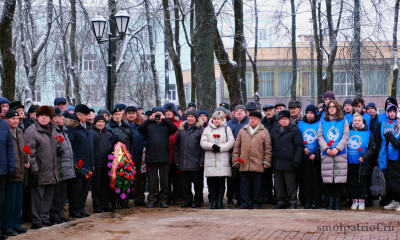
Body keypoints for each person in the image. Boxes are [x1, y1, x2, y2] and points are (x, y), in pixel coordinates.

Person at [24, 106, 59, 229]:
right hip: (39, 170)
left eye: (47, 115)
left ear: (50, 117)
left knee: (48, 196)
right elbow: (29, 153)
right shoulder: (31, 131)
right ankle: (36, 220)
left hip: (52, 170)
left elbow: (54, 148)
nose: (44, 117)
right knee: (37, 197)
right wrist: (34, 170)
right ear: (37, 117)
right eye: (41, 115)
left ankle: (45, 217)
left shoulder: (54, 129)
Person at [138, 107, 178, 208]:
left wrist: (164, 119)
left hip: (164, 157)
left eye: (159, 114)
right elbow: (140, 129)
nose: (158, 116)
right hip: (151, 157)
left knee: (164, 181)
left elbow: (174, 129)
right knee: (152, 181)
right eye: (156, 114)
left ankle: (163, 200)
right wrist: (149, 119)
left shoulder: (165, 125)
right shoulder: (149, 125)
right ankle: (152, 200)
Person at [232, 111, 272, 209]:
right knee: (244, 186)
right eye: (251, 118)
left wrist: (267, 161)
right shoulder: (242, 130)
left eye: (254, 119)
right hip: (244, 163)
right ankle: (244, 203)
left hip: (258, 164)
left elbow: (268, 149)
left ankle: (256, 203)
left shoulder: (264, 131)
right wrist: (235, 160)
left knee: (257, 186)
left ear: (259, 120)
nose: (252, 120)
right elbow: (236, 147)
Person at [318, 100, 349, 210]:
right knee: (328, 179)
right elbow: (320, 136)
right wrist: (326, 148)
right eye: (329, 107)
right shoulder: (323, 121)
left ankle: (337, 201)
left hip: (340, 154)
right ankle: (330, 201)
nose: (331, 108)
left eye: (333, 107)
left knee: (338, 179)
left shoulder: (343, 121)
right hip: (327, 154)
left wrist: (337, 148)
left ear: (337, 108)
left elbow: (345, 136)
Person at [201, 111, 235, 209]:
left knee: (221, 181)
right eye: (215, 119)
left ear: (222, 120)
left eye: (218, 119)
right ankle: (213, 201)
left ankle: (219, 201)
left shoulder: (227, 129)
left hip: (222, 159)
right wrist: (212, 146)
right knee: (211, 182)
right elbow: (203, 142)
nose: (216, 121)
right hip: (211, 159)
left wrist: (220, 148)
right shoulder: (207, 129)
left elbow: (231, 142)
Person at [270, 110, 304, 209]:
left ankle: (293, 201)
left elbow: (299, 146)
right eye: (282, 119)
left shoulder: (295, 130)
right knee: (278, 184)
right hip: (277, 162)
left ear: (289, 120)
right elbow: (271, 146)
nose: (284, 121)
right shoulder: (275, 131)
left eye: (286, 119)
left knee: (291, 184)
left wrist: (296, 160)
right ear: (279, 121)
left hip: (290, 163)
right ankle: (280, 201)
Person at [65, 104, 94, 218]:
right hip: (78, 164)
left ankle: (81, 208)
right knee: (76, 189)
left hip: (87, 163)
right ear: (78, 115)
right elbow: (70, 146)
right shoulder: (72, 127)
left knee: (85, 188)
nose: (87, 117)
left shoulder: (87, 127)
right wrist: (75, 163)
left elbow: (90, 146)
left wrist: (92, 163)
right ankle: (74, 209)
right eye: (85, 115)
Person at [2, 110, 27, 237]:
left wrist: (27, 161)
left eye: (17, 119)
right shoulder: (6, 132)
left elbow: (24, 150)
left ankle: (16, 224)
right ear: (6, 120)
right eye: (13, 119)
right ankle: (7, 226)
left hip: (21, 172)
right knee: (9, 203)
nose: (16, 121)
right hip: (11, 172)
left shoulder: (20, 132)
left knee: (18, 201)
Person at [49, 107, 75, 224]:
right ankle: (55, 216)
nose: (64, 118)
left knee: (62, 194)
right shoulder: (52, 131)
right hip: (58, 167)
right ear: (54, 119)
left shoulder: (63, 130)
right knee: (56, 194)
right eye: (61, 116)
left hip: (66, 166)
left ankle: (61, 214)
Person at [174, 110, 205, 208]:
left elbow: (203, 148)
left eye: (192, 116)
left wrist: (201, 160)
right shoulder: (181, 130)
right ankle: (188, 200)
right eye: (188, 116)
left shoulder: (201, 130)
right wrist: (177, 160)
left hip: (196, 163)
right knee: (185, 185)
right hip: (183, 162)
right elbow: (176, 147)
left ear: (196, 118)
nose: (190, 118)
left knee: (198, 185)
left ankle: (197, 200)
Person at [346, 113, 375, 211]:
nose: (357, 122)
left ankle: (362, 200)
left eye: (359, 121)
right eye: (355, 121)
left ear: (362, 121)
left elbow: (372, 148)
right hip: (351, 162)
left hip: (363, 163)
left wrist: (364, 157)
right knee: (353, 182)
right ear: (352, 122)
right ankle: (354, 200)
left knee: (362, 182)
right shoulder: (348, 132)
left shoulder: (368, 133)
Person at [298, 105, 322, 209]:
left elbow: (322, 140)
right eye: (307, 113)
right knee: (306, 180)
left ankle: (316, 200)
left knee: (316, 180)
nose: (309, 115)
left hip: (316, 157)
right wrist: (303, 148)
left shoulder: (320, 124)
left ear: (315, 113)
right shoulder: (300, 124)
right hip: (304, 157)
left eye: (311, 113)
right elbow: (298, 139)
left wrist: (316, 154)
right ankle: (307, 200)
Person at [378, 104, 400, 210]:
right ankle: (395, 201)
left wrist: (389, 135)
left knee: (397, 182)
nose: (398, 120)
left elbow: (397, 144)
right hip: (391, 157)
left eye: (399, 118)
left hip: (398, 159)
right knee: (391, 182)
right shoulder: (396, 129)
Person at [226, 105, 249, 206]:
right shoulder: (228, 124)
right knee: (233, 179)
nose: (239, 112)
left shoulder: (249, 123)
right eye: (237, 111)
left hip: (246, 155)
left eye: (241, 111)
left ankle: (245, 199)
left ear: (245, 113)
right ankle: (234, 198)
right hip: (232, 154)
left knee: (245, 179)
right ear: (234, 113)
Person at [91, 115, 113, 213]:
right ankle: (97, 206)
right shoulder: (91, 133)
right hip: (97, 164)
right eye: (99, 122)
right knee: (97, 186)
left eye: (103, 122)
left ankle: (105, 204)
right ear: (95, 123)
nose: (101, 124)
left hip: (107, 165)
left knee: (106, 186)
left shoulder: (108, 133)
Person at [162, 102, 183, 205]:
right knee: (166, 178)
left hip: (176, 153)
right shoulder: (161, 122)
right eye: (166, 111)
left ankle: (176, 197)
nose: (168, 113)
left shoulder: (180, 123)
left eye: (170, 111)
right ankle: (167, 197)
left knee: (176, 178)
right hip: (165, 154)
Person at [125, 106, 146, 206]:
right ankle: (124, 199)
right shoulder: (123, 126)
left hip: (139, 157)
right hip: (125, 159)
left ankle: (139, 199)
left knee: (140, 180)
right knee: (125, 179)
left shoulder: (141, 126)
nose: (131, 115)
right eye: (129, 113)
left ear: (137, 115)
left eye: (133, 113)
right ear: (126, 115)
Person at [260, 104, 278, 203]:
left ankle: (277, 195)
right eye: (266, 110)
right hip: (264, 153)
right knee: (265, 176)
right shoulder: (262, 123)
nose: (268, 112)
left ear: (273, 111)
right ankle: (266, 194)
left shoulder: (278, 122)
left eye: (270, 110)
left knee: (277, 176)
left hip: (276, 152)